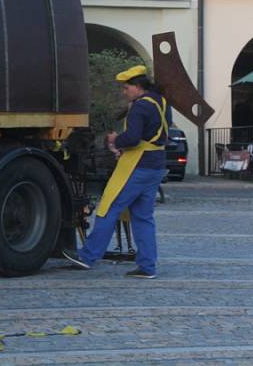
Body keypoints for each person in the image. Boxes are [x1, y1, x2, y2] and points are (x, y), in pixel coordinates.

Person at [63, 65, 172, 279]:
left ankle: (87, 257)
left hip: (137, 165)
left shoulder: (139, 106)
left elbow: (132, 138)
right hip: (156, 164)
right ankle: (147, 266)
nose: (124, 92)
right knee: (143, 217)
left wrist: (115, 141)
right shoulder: (161, 101)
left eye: (126, 87)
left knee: (109, 208)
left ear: (137, 86)